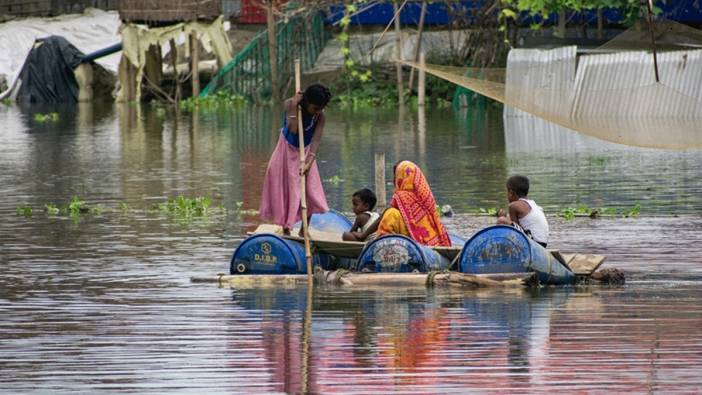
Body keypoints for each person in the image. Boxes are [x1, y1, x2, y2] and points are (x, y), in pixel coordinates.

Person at [259, 84, 332, 236]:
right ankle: (286, 228)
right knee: (286, 188)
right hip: (286, 150)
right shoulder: (291, 104)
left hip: (305, 153)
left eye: (321, 108)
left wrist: (309, 161)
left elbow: (316, 139)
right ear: (306, 102)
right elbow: (293, 129)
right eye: (315, 108)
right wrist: (293, 106)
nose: (318, 111)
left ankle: (304, 229)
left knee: (310, 190)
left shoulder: (320, 115)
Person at [345, 160, 451, 247]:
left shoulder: (402, 196)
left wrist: (364, 234)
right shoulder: (424, 196)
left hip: (414, 241)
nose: (394, 180)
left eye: (396, 176)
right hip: (432, 241)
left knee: (391, 213)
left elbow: (386, 213)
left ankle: (383, 245)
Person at [497, 174, 550, 247]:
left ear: (511, 193)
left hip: (532, 242)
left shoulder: (513, 206)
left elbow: (514, 231)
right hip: (542, 244)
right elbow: (517, 225)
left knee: (501, 220)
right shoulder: (534, 205)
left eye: (507, 192)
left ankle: (501, 247)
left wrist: (503, 217)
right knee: (505, 219)